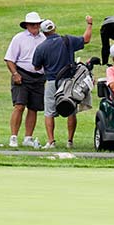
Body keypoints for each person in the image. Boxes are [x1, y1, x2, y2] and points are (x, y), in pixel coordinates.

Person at [32, 16, 94, 149]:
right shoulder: (67, 40)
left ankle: (51, 141)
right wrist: (89, 24)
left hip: (51, 82)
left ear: (43, 32)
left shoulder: (41, 47)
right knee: (71, 110)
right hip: (68, 82)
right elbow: (86, 39)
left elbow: (36, 67)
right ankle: (70, 141)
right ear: (54, 28)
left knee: (49, 112)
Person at [4, 12, 47, 148]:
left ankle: (28, 137)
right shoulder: (19, 38)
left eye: (37, 24)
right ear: (27, 25)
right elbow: (10, 59)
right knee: (19, 105)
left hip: (39, 76)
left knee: (33, 108)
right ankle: (14, 136)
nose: (35, 26)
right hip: (22, 74)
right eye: (32, 24)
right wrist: (15, 74)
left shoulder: (44, 39)